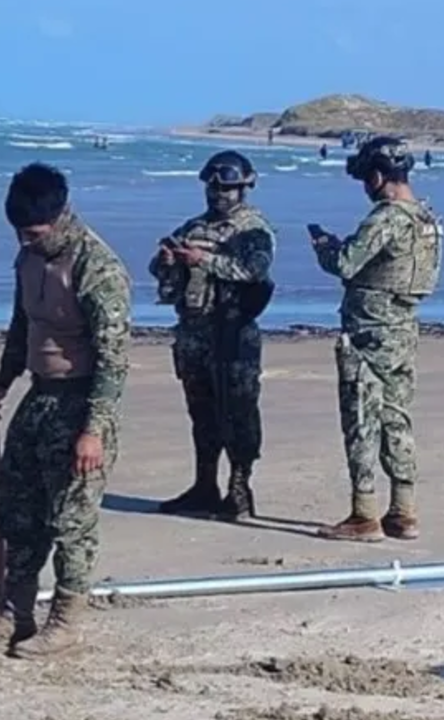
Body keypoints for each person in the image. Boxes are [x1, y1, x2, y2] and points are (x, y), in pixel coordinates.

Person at [0, 162, 132, 658]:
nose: (24, 242)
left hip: (82, 400)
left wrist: (93, 430)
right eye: (18, 234)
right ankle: (14, 612)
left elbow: (115, 358)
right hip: (39, 393)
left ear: (60, 216)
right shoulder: (28, 258)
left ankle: (67, 620)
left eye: (33, 233)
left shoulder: (98, 268)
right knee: (19, 508)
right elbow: (22, 326)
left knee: (71, 518)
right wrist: (0, 383)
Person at [309, 136, 443, 542]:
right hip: (404, 328)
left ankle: (363, 513)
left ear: (379, 176)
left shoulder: (386, 218)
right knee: (397, 418)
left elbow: (347, 262)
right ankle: (404, 510)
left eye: (368, 178)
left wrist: (324, 248)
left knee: (362, 418)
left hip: (370, 332)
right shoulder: (428, 220)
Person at [150, 150, 276, 520]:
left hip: (233, 333)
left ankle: (240, 487)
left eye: (227, 188)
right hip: (194, 332)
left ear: (243, 189)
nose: (218, 194)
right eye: (213, 187)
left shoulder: (254, 229)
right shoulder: (193, 227)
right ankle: (204, 485)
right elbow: (160, 266)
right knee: (201, 413)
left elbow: (254, 271)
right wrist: (168, 261)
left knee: (238, 413)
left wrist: (203, 260)